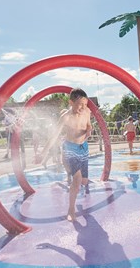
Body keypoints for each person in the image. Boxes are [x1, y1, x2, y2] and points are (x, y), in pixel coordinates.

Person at [41, 88, 92, 222]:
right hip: (70, 148)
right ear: (71, 102)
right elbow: (54, 135)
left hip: (83, 148)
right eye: (79, 104)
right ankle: (71, 210)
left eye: (85, 104)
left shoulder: (87, 112)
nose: (83, 108)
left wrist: (89, 131)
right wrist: (43, 153)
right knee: (77, 179)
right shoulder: (66, 117)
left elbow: (89, 126)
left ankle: (73, 179)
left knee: (84, 181)